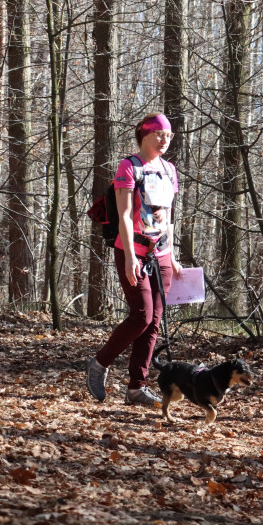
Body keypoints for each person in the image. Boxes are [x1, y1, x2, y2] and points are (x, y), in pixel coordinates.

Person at [86, 113, 182, 405]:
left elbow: (170, 216)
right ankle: (99, 363)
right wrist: (130, 258)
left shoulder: (169, 170)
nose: (164, 141)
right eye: (159, 135)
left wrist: (173, 256)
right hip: (133, 250)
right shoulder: (129, 167)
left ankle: (136, 388)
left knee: (154, 322)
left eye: (169, 136)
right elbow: (125, 216)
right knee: (141, 315)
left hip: (162, 253)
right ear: (144, 135)